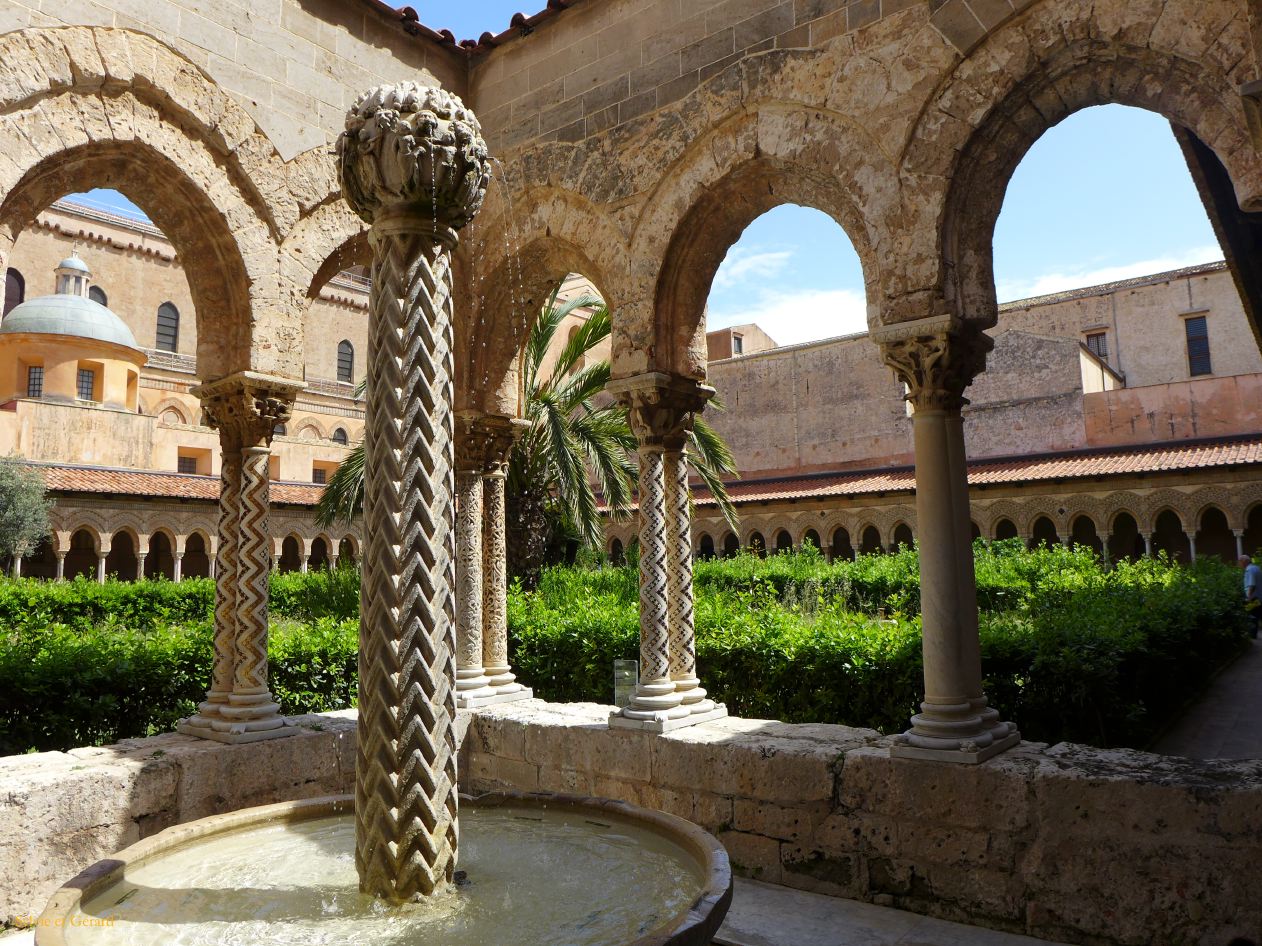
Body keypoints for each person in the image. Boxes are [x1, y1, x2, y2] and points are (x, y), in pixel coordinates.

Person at [1239, 555, 1261, 639]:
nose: (1239, 564)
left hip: (1253, 599)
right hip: (1259, 597)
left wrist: (1248, 598)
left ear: (1244, 561)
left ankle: (1252, 636)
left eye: (1240, 562)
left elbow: (1252, 585)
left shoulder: (1249, 570)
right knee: (1257, 615)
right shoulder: (1256, 568)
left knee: (1252, 617)